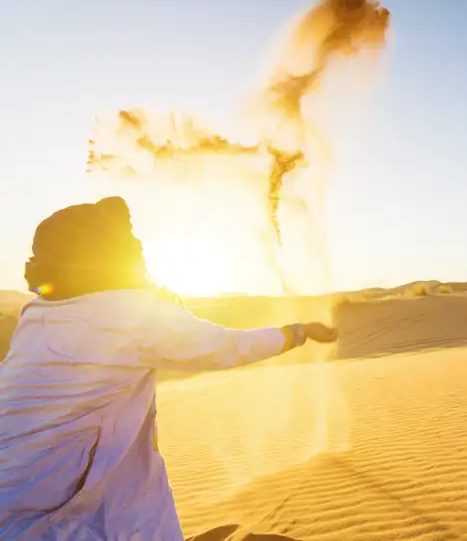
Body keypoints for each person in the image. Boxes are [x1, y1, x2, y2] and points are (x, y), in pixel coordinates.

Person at [0, 196, 337, 540]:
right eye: (128, 246)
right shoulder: (131, 314)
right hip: (56, 509)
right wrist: (297, 332)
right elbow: (226, 347)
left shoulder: (38, 313)